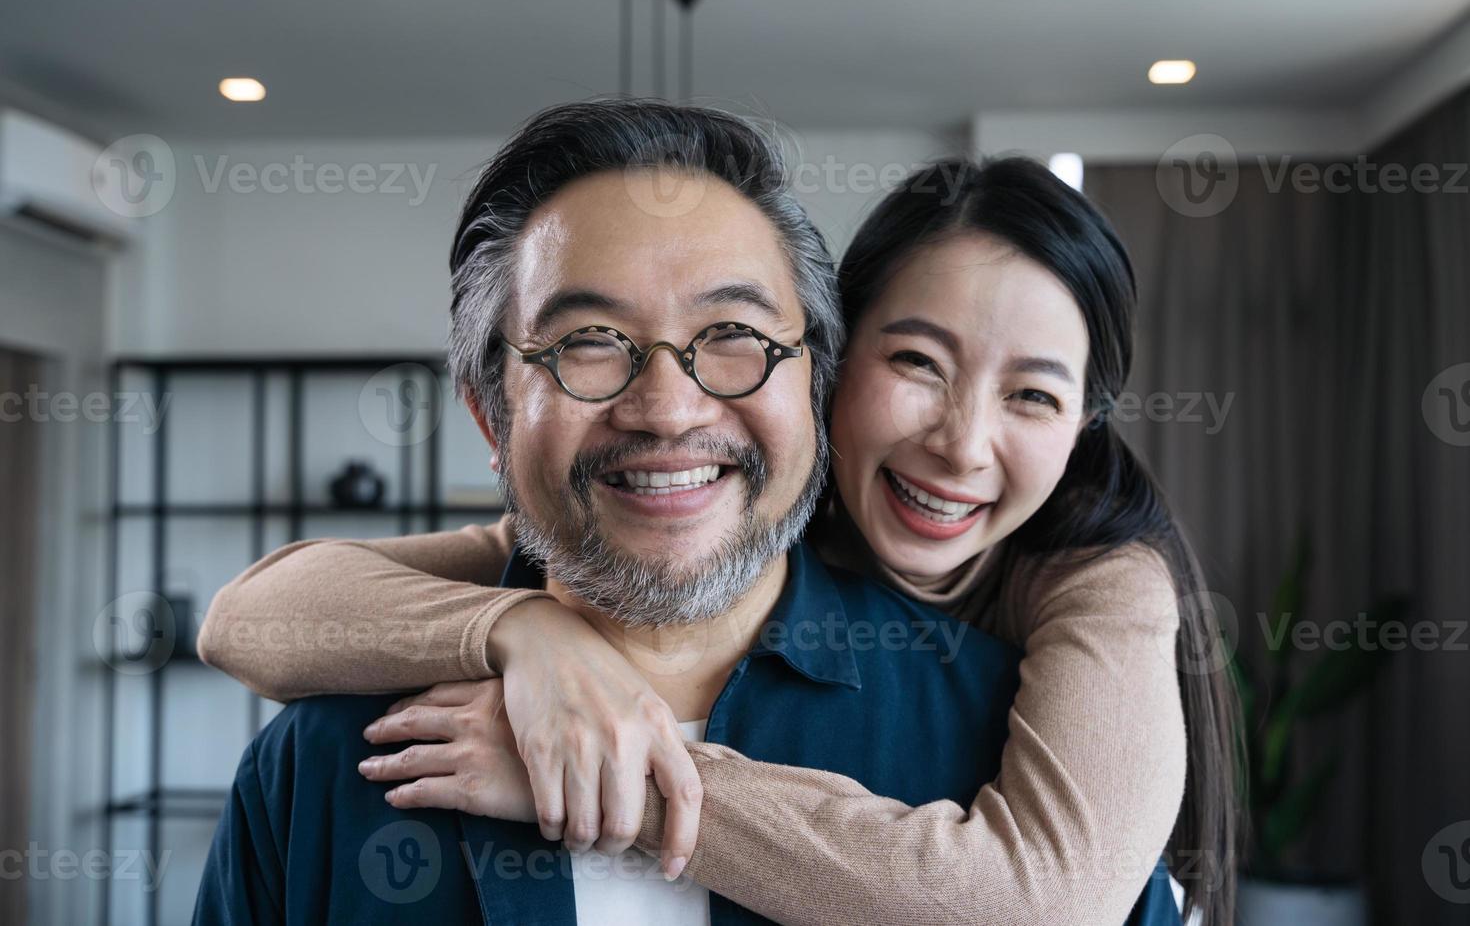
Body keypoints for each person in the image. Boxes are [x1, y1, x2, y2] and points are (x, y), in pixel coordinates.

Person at [197, 100, 1221, 925]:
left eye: (732, 332)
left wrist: (638, 783)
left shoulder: (1025, 729)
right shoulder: (327, 765)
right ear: (491, 409)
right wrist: (517, 626)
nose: (668, 408)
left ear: (807, 380)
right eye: (589, 340)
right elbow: (250, 613)